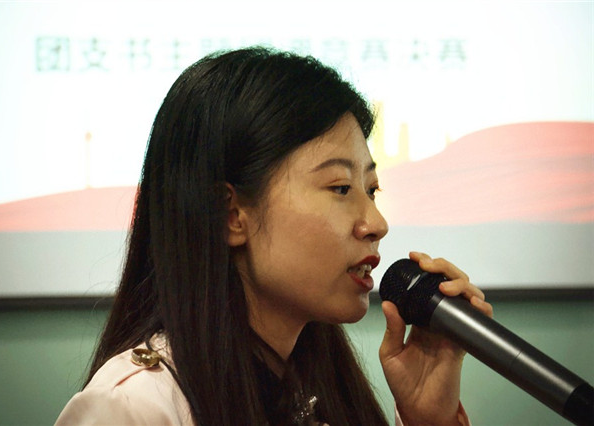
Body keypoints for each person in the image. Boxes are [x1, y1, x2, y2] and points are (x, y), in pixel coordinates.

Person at [56, 47, 493, 425]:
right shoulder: (132, 407)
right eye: (341, 188)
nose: (376, 223)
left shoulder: (317, 390)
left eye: (372, 190)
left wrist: (427, 419)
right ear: (230, 215)